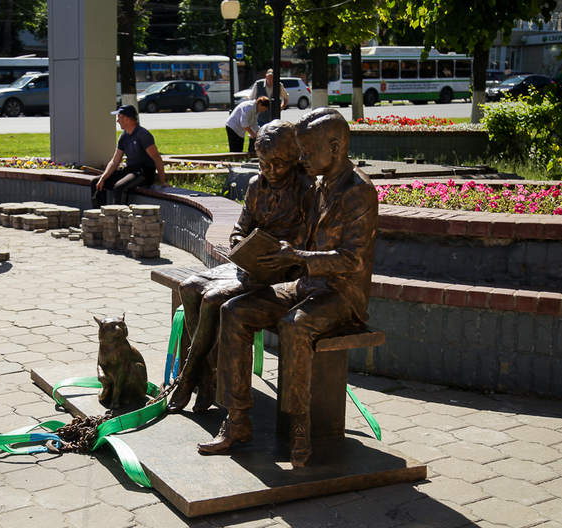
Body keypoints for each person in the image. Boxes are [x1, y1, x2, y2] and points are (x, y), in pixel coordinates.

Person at [197, 108, 379, 468]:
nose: (303, 161)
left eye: (308, 154)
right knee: (234, 311)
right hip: (309, 284)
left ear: (336, 146)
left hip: (342, 295)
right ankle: (237, 421)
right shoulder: (321, 183)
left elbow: (351, 260)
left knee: (295, 325)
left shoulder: (358, 192)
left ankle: (299, 427)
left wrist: (295, 254)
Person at [167, 119, 315, 415]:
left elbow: (304, 240)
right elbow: (240, 227)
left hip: (281, 275)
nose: (270, 172)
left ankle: (189, 378)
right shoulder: (255, 185)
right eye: (263, 164)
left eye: (278, 165)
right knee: (188, 287)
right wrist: (238, 243)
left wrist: (278, 252)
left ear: (293, 159)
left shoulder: (306, 190)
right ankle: (207, 375)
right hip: (247, 265)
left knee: (211, 299)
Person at [91, 105, 169, 209]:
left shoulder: (142, 135)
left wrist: (162, 181)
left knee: (119, 187)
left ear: (126, 119)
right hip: (130, 171)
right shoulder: (124, 136)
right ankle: (100, 215)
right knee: (96, 182)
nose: (117, 121)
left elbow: (157, 158)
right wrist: (103, 178)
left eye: (119, 118)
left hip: (143, 173)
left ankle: (117, 217)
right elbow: (115, 161)